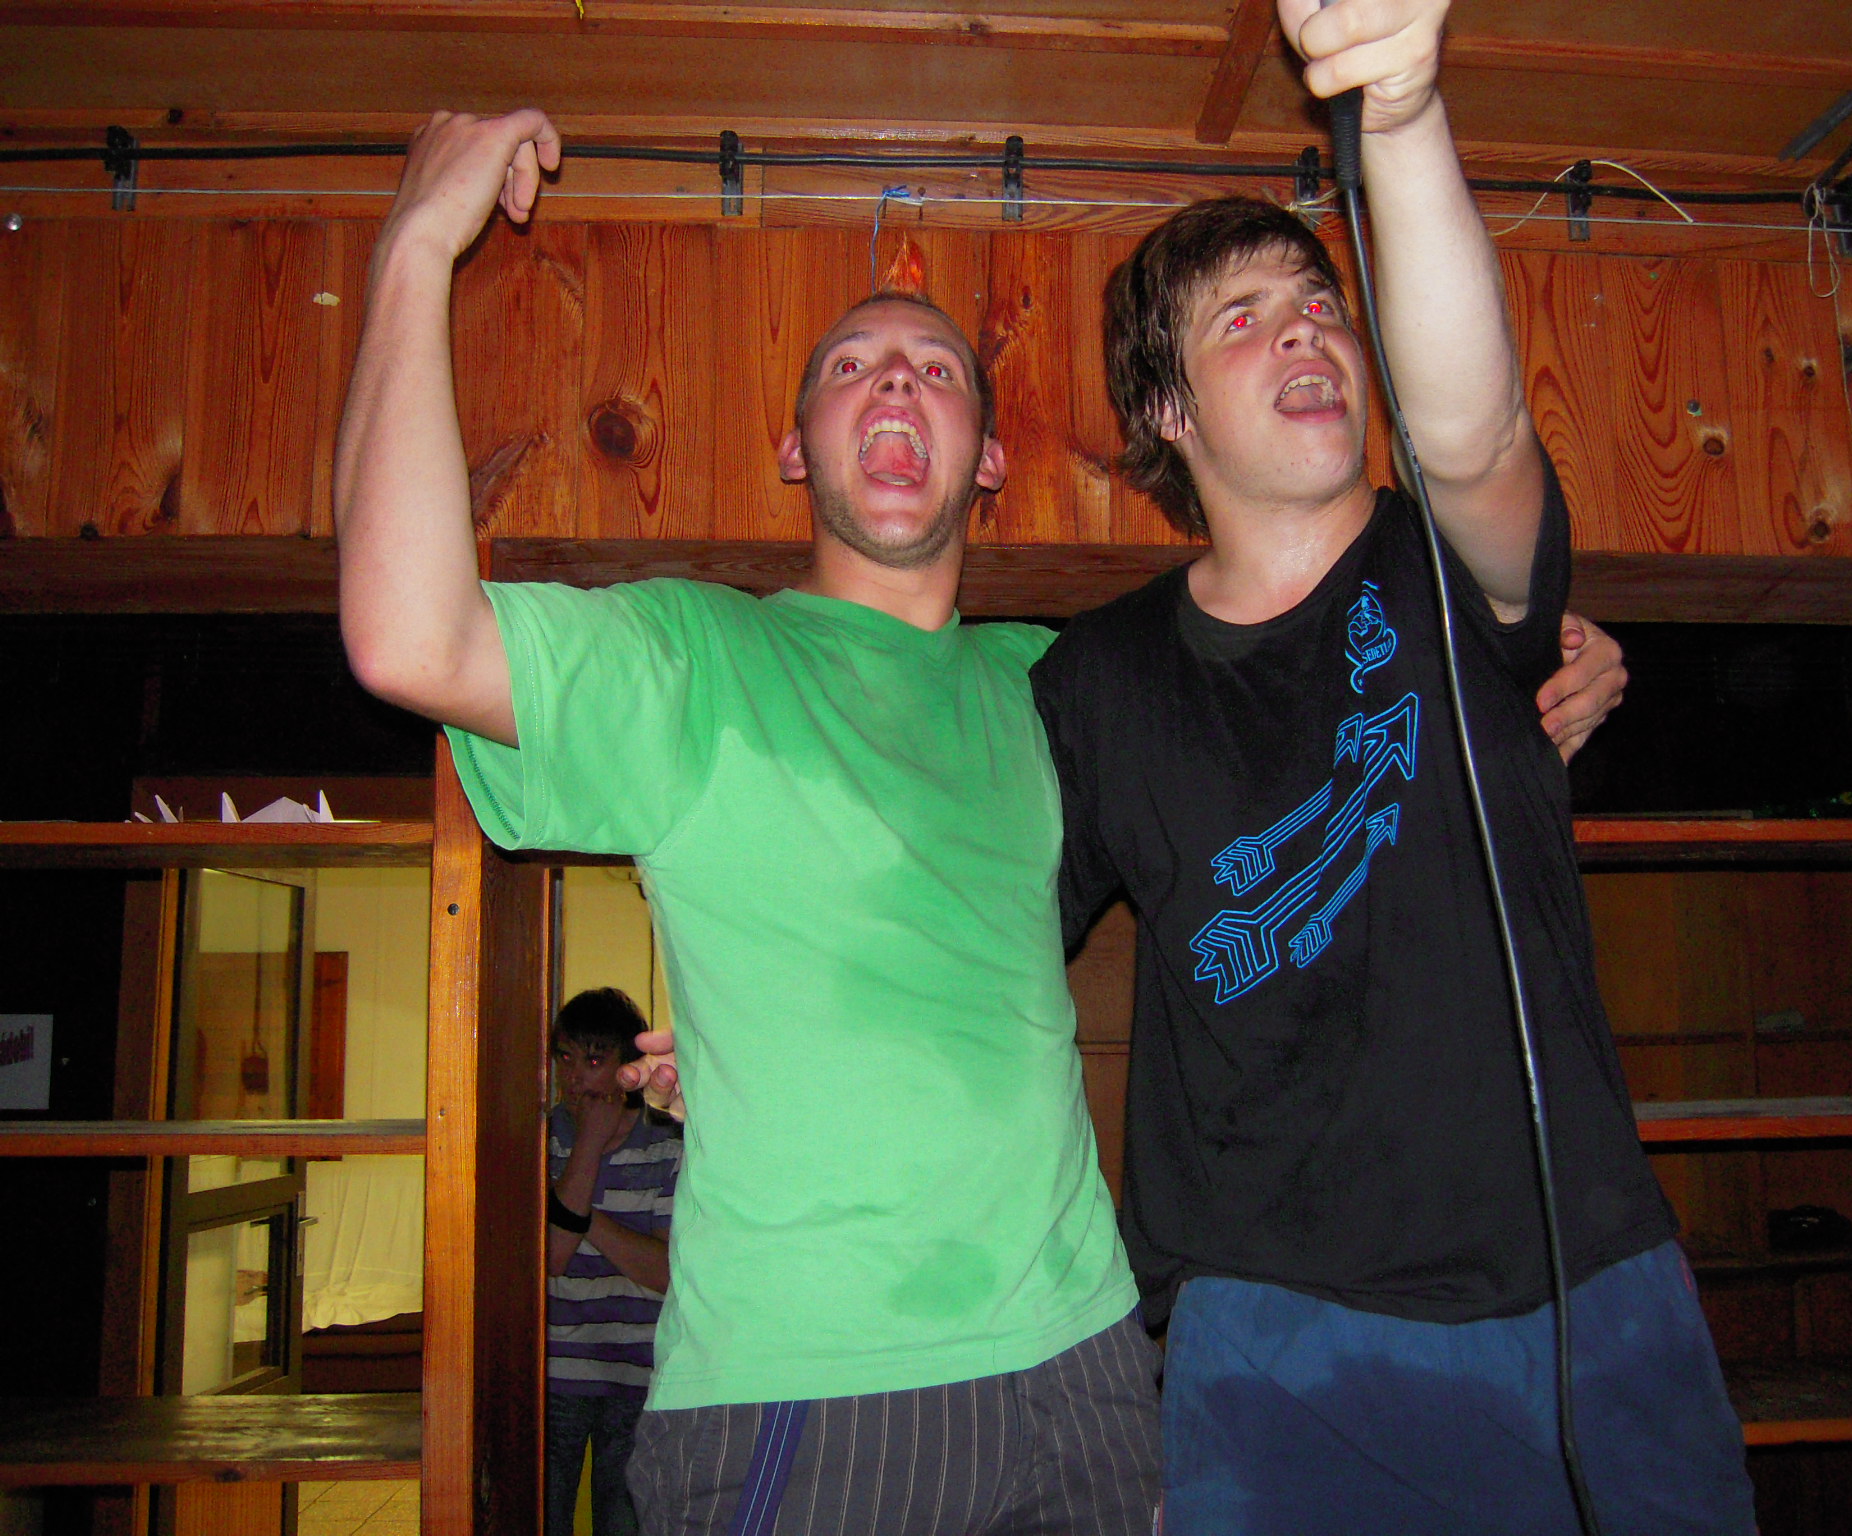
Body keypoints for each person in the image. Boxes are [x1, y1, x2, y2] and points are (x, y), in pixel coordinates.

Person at [332, 82, 1625, 1534]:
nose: (895, 384)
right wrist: (415, 244)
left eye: (938, 371)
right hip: (812, 1396)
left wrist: (1531, 671)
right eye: (852, 368)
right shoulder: (695, 656)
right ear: (796, 448)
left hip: (1087, 1370)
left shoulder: (1056, 688)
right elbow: (407, 635)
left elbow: (1303, 739)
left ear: (990, 462)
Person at [1026, 3, 1757, 1534]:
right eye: (1242, 318)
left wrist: (1404, 108)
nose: (1305, 331)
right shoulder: (1096, 681)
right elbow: (978, 931)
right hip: (1275, 1344)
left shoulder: (1454, 574)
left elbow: (1475, 437)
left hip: (1588, 1303)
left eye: (1320, 306)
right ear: (1166, 411)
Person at [545, 988, 682, 1536]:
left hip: (639, 1373)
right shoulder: (542, 1138)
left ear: (628, 1067)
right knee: (541, 1515)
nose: (575, 1077)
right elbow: (553, 1257)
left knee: (623, 1522)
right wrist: (588, 1144)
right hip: (554, 1371)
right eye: (565, 1057)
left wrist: (572, 1209)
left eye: (594, 1060)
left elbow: (667, 1273)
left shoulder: (666, 1144)